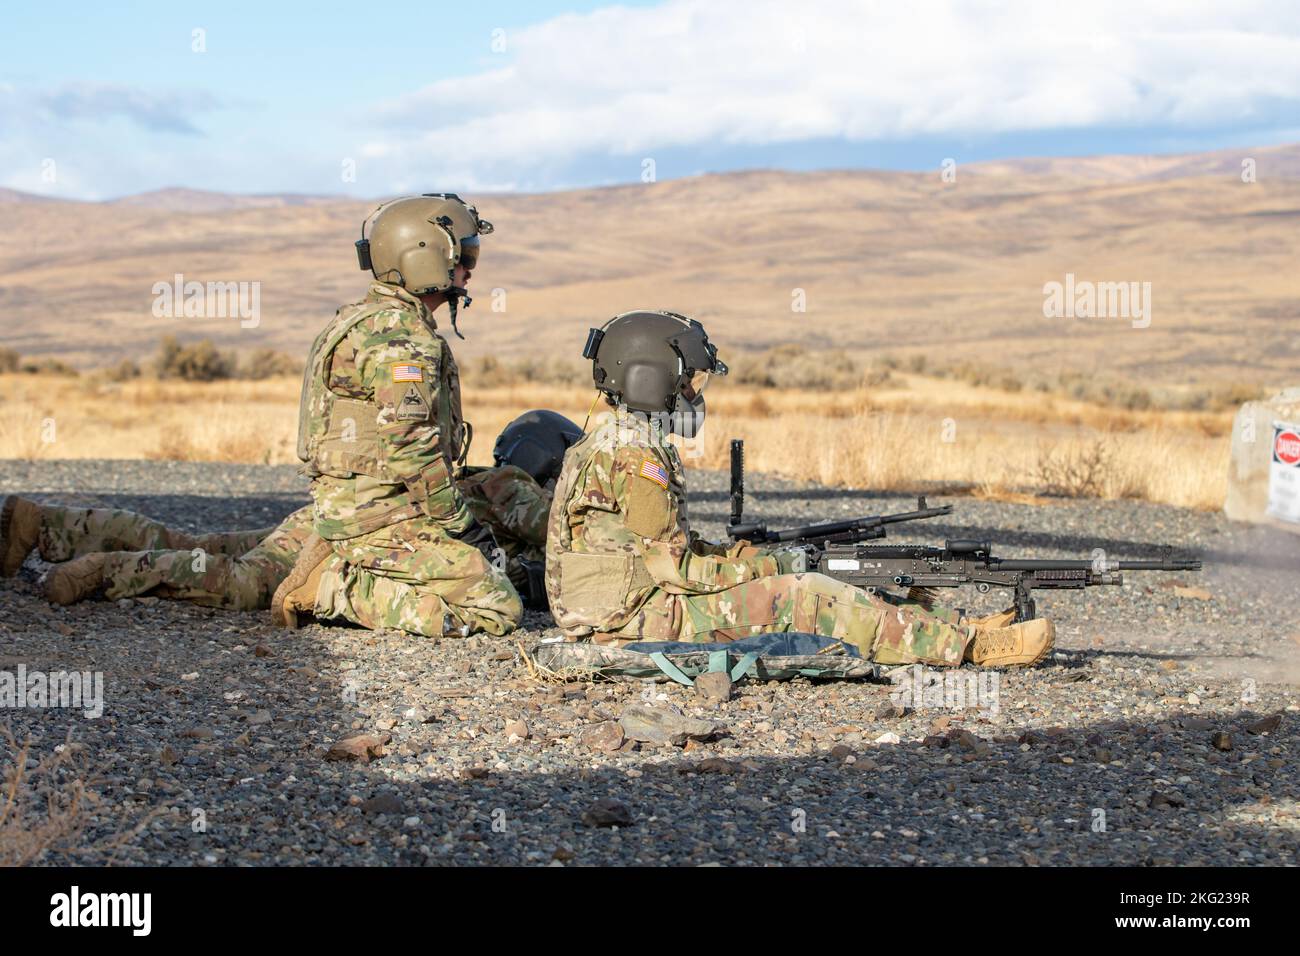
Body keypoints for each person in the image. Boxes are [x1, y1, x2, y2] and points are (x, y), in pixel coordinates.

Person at [544, 310, 1055, 668]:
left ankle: (960, 626)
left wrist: (741, 557)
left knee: (811, 577)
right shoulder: (634, 456)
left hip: (628, 607)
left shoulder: (620, 441)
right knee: (804, 594)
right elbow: (676, 572)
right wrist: (772, 566)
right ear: (651, 379)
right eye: (688, 382)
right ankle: (968, 649)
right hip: (630, 622)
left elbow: (660, 552)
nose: (694, 395)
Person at [0, 411, 580, 615]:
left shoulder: (476, 479)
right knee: (243, 584)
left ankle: (42, 523)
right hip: (344, 542)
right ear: (547, 460)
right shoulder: (512, 486)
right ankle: (103, 571)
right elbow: (560, 534)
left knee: (198, 542)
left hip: (336, 522)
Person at [283, 193, 521, 638]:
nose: (469, 270)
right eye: (463, 257)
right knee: (497, 605)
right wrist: (461, 527)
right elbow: (411, 448)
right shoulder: (400, 337)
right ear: (424, 257)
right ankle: (331, 587)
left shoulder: (370, 319)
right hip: (378, 517)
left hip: (374, 506)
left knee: (506, 565)